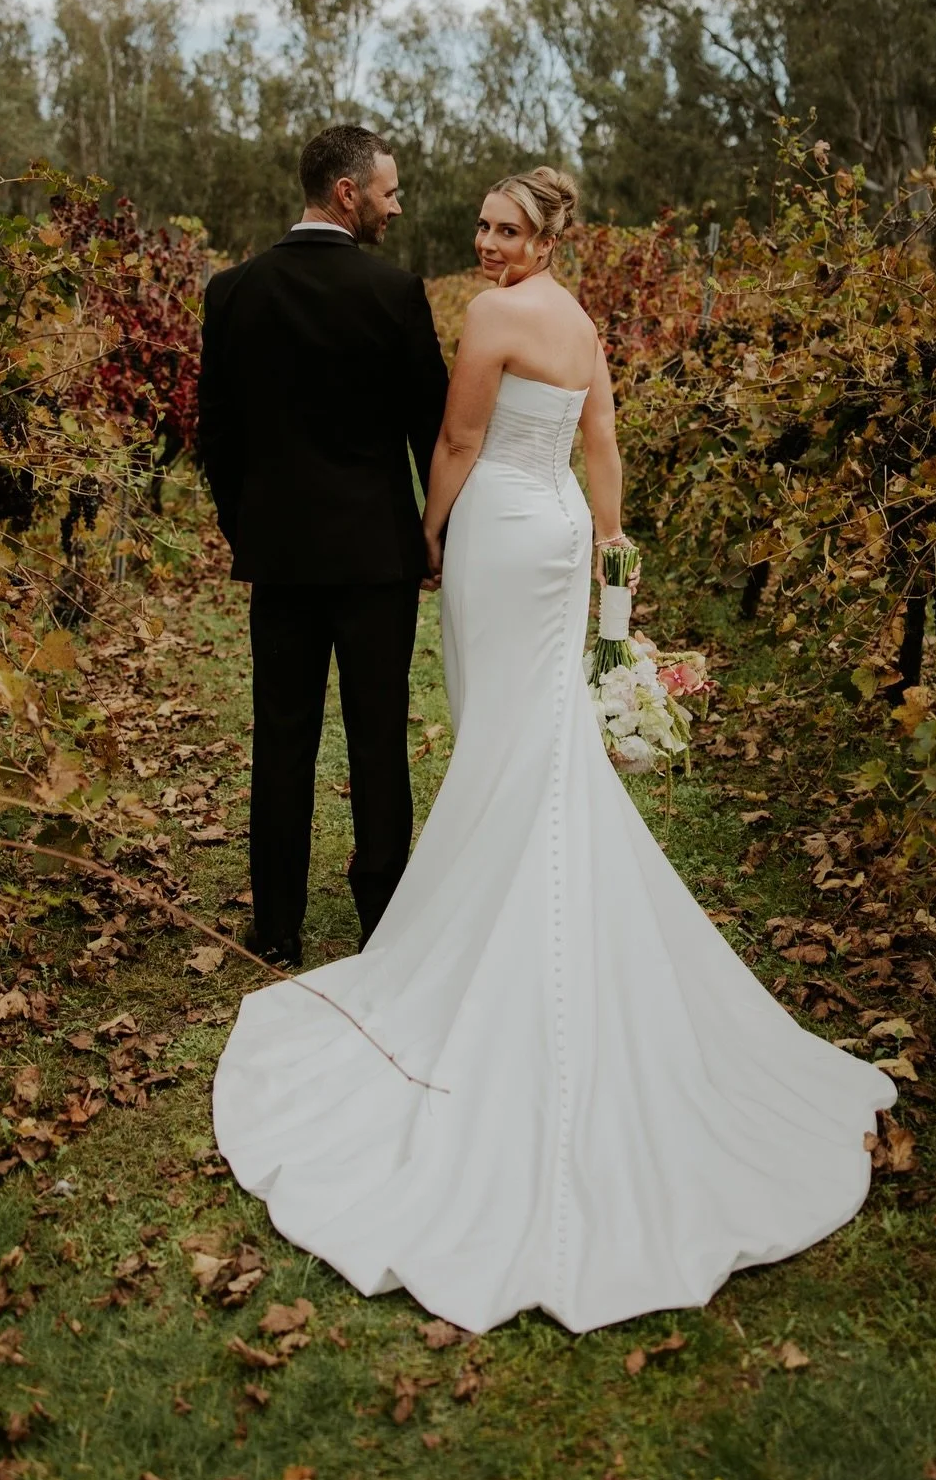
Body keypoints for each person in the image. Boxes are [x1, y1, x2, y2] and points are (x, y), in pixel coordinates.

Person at [213, 166, 895, 1334]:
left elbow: (460, 440)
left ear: (543, 235)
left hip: (495, 530)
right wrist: (611, 552)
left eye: (506, 229)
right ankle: (523, 886)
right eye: (480, 227)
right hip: (562, 536)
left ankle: (481, 920)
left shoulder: (489, 318)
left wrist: (426, 539)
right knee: (540, 735)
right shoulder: (581, 319)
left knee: (499, 731)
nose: (487, 244)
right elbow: (604, 439)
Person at [197, 125, 449, 968]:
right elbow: (433, 434)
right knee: (378, 736)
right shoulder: (395, 292)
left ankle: (277, 926)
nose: (396, 202)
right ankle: (383, 920)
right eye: (389, 188)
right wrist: (433, 536)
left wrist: (251, 529)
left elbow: (217, 440)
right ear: (348, 194)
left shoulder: (233, 293)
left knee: (282, 733)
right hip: (377, 555)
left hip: (283, 558)